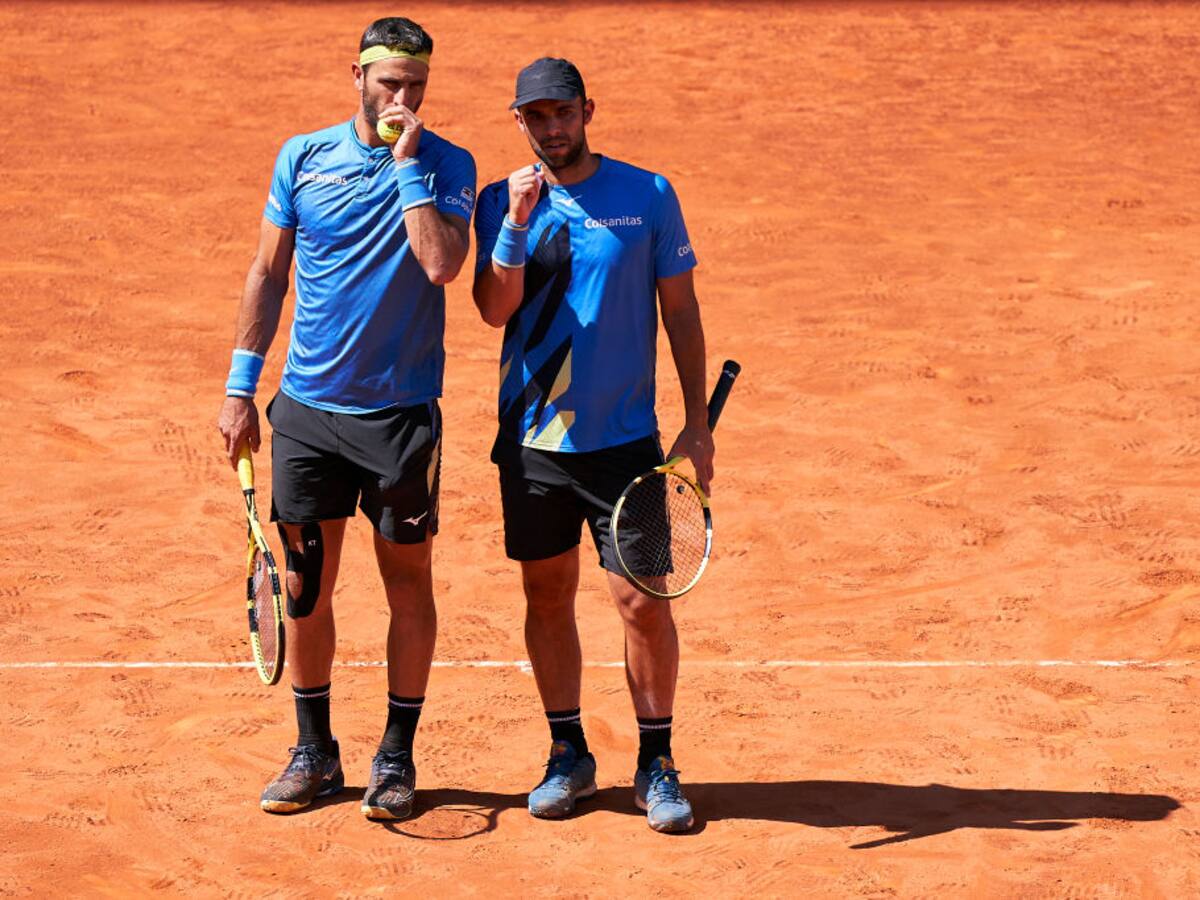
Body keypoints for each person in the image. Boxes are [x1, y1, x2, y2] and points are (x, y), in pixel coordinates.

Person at [215, 16, 475, 821]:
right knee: (304, 588)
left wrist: (405, 170)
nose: (403, 98)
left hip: (398, 423)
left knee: (408, 584)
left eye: (417, 87)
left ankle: (395, 756)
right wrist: (238, 385)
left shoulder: (446, 163)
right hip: (305, 415)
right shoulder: (303, 156)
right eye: (390, 83)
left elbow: (439, 264)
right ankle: (314, 751)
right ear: (356, 76)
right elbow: (267, 271)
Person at [471, 58, 714, 833]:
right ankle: (567, 752)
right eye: (536, 116)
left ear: (587, 111)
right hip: (533, 442)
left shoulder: (647, 195)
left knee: (643, 602)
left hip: (625, 445)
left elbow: (679, 308)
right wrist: (513, 222)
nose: (552, 128)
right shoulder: (500, 203)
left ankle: (657, 760)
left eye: (563, 112)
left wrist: (698, 421)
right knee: (546, 596)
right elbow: (491, 307)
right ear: (519, 121)